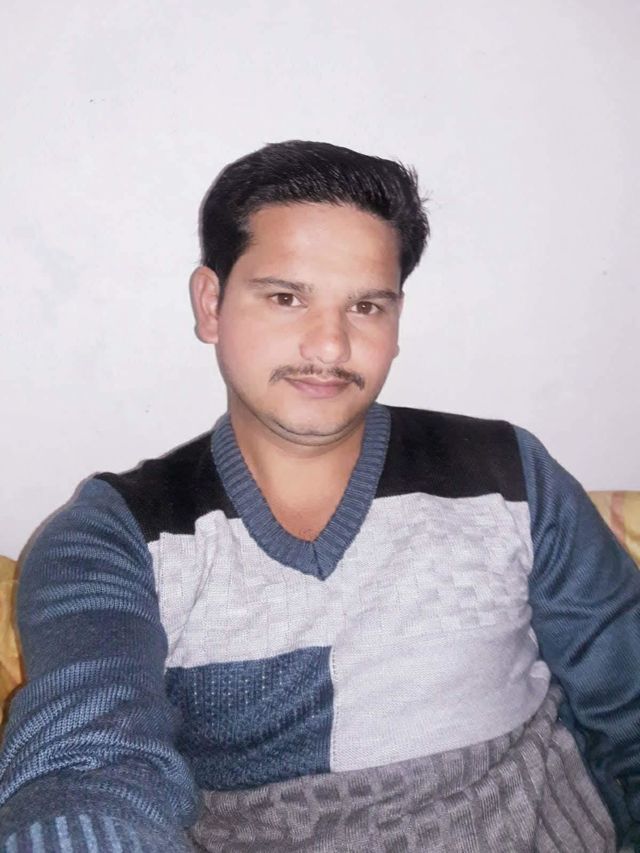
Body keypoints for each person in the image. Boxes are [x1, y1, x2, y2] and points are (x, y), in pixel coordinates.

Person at [1, 140, 639, 853]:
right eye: (286, 298)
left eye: (365, 305)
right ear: (211, 304)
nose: (331, 346)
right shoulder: (114, 535)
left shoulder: (507, 473)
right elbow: (89, 766)